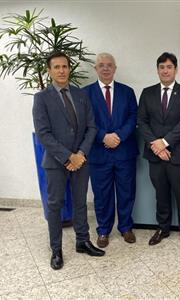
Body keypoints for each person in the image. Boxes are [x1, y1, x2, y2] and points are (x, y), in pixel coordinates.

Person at [32, 52, 105, 270]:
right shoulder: (42, 98)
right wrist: (68, 156)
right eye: (57, 67)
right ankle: (56, 250)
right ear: (49, 70)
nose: (62, 70)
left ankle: (82, 241)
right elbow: (43, 133)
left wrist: (80, 154)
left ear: (69, 69)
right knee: (55, 205)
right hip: (56, 162)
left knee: (80, 202)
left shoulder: (81, 94)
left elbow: (92, 126)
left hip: (81, 160)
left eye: (65, 66)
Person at [137, 52, 180, 247]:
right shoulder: (147, 93)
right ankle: (163, 228)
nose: (165, 70)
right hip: (155, 155)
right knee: (160, 193)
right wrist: (156, 145)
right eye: (161, 67)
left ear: (176, 70)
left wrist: (165, 142)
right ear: (157, 70)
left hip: (178, 154)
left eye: (169, 67)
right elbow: (142, 122)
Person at [84, 53, 139, 248]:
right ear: (95, 69)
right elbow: (86, 121)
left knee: (126, 192)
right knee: (102, 194)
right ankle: (103, 231)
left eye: (109, 65)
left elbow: (133, 117)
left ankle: (125, 227)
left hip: (124, 152)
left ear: (115, 68)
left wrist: (118, 136)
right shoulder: (85, 93)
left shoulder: (127, 91)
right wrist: (103, 137)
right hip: (99, 154)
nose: (105, 68)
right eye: (101, 65)